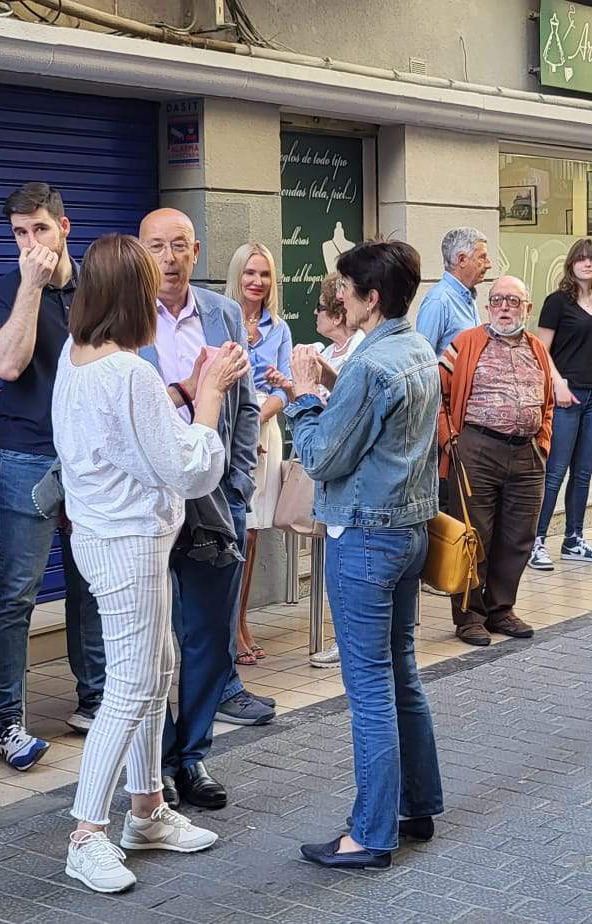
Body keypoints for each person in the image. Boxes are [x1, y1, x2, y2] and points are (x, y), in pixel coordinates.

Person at [53, 234, 246, 893]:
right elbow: (187, 469)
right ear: (132, 294)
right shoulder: (128, 371)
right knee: (134, 686)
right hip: (128, 540)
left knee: (155, 670)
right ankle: (86, 834)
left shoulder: (76, 356)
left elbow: (134, 446)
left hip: (111, 537)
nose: (167, 273)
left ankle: (147, 811)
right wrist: (210, 392)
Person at [278, 240, 444, 869]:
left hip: (365, 537)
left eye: (344, 287)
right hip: (407, 530)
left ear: (370, 298)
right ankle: (416, 806)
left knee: (370, 685)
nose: (337, 296)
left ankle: (370, 835)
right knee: (400, 670)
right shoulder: (414, 348)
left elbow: (321, 456)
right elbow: (375, 415)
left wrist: (301, 396)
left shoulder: (374, 366)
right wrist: (330, 381)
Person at [136, 206, 271, 812]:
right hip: (145, 501)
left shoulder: (220, 315)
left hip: (214, 499)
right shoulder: (124, 318)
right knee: (151, 641)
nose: (168, 258)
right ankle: (152, 767)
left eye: (179, 246)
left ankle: (189, 757)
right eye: (156, 246)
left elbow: (244, 405)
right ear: (142, 253)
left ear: (196, 253)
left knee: (209, 636)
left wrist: (237, 480)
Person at [0, 182, 106, 769]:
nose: (31, 244)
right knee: (17, 591)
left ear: (65, 226)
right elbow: (7, 363)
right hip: (26, 452)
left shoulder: (97, 288)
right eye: (20, 234)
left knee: (91, 582)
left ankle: (96, 697)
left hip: (91, 454)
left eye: (40, 231)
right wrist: (29, 287)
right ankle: (6, 720)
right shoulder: (4, 289)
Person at [437, 275, 556, 647]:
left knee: (518, 536)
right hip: (476, 448)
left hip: (526, 453)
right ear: (488, 306)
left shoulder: (537, 348)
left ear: (527, 308)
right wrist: (450, 441)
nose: (504, 307)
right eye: (497, 300)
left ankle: (501, 608)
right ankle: (469, 615)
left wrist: (542, 442)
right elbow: (437, 393)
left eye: (513, 301)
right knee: (475, 535)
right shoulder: (465, 343)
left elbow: (548, 402)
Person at [528, 238, 592, 572]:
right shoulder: (557, 302)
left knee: (583, 473)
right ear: (571, 264)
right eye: (581, 259)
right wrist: (558, 384)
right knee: (555, 472)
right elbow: (541, 351)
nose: (587, 264)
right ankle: (536, 542)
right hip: (566, 398)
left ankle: (573, 539)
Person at [225, 242, 292, 667]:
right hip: (230, 431)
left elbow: (283, 390)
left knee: (251, 534)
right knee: (230, 530)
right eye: (250, 273)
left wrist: (257, 422)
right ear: (237, 276)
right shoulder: (220, 318)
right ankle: (227, 624)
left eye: (265, 274)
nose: (257, 282)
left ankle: (240, 620)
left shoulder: (279, 329)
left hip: (264, 431)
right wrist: (243, 430)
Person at [304, 273, 365, 670]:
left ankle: (352, 645)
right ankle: (347, 640)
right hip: (332, 473)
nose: (315, 314)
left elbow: (349, 410)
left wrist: (309, 395)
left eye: (322, 308)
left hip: (347, 474)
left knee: (348, 566)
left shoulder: (361, 352)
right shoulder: (329, 350)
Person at [413, 227, 490, 356]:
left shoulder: (466, 295)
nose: (488, 264)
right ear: (462, 260)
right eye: (482, 258)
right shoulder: (438, 301)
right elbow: (423, 360)